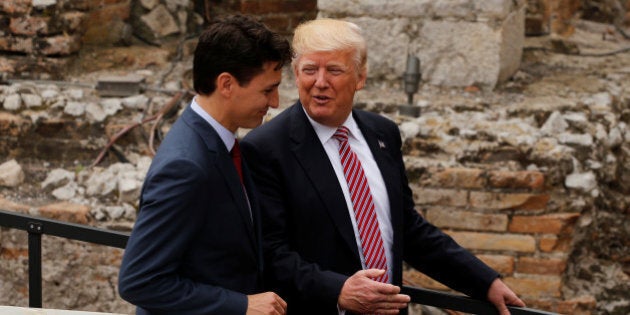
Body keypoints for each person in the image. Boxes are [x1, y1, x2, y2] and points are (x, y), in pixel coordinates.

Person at [240, 18, 525, 315]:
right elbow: (271, 254)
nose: (320, 82)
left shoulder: (382, 133)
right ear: (296, 75)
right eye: (310, 70)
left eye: (334, 70)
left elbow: (408, 229)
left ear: (360, 77)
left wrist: (484, 282)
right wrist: (338, 290)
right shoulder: (265, 148)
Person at [118, 15, 292, 315]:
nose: (275, 102)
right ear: (226, 84)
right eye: (267, 90)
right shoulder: (186, 167)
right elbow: (139, 281)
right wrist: (242, 305)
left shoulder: (222, 142)